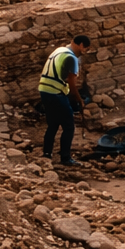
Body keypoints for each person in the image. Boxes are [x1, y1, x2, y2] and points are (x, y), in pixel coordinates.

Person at [37, 35, 89, 166]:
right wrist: (78, 100)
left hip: (44, 90)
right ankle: (65, 158)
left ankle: (47, 154)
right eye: (86, 49)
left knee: (53, 124)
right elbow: (71, 82)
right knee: (69, 126)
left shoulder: (59, 50)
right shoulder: (71, 58)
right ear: (81, 45)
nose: (84, 52)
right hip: (55, 93)